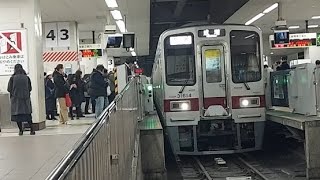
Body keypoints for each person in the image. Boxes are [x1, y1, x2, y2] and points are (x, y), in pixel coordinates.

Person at [7, 64, 35, 135]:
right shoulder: (26, 78)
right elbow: (30, 88)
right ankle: (32, 130)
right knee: (28, 115)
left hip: (16, 100)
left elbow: (9, 89)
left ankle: (20, 130)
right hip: (25, 100)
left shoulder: (12, 78)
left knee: (18, 116)